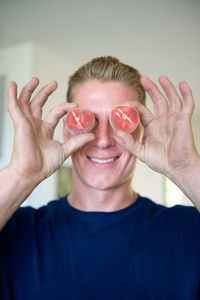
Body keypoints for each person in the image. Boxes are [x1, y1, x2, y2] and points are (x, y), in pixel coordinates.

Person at [0, 56, 200, 299]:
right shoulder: (15, 230)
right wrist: (21, 174)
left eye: (120, 121)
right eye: (87, 121)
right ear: (67, 130)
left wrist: (187, 168)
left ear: (142, 133)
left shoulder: (189, 230)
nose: (103, 140)